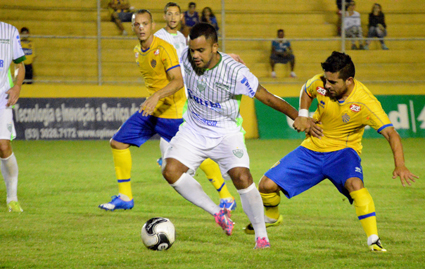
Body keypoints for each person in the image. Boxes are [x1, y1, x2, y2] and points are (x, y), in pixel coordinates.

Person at [244, 51, 418, 252]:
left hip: (343, 153)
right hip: (312, 148)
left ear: (349, 80)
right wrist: (302, 115)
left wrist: (400, 165)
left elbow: (391, 134)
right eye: (326, 80)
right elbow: (307, 90)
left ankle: (373, 239)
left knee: (355, 183)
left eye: (333, 82)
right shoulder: (320, 83)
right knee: (266, 185)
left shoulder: (365, 102)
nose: (327, 86)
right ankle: (273, 216)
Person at [161, 22, 312, 249]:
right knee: (170, 171)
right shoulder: (185, 57)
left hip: (226, 132)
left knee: (242, 177)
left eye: (201, 50)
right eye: (193, 50)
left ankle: (261, 236)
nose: (195, 55)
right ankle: (217, 212)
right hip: (194, 128)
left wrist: (298, 115)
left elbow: (267, 96)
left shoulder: (235, 72)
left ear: (214, 48)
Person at [98, 9, 186, 211]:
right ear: (132, 28)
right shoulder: (137, 50)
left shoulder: (164, 48)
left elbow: (178, 80)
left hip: (171, 112)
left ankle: (225, 195)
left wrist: (156, 96)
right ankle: (125, 197)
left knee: (193, 152)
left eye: (145, 24)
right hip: (151, 111)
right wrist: (152, 99)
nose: (141, 28)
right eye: (137, 24)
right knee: (118, 142)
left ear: (152, 26)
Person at [154, 2, 237, 211]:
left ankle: (225, 196)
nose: (172, 17)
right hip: (169, 99)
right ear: (164, 16)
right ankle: (223, 195)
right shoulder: (161, 38)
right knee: (170, 150)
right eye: (169, 14)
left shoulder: (183, 38)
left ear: (181, 17)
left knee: (185, 149)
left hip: (180, 100)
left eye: (176, 14)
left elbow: (192, 63)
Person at [0, 22, 26, 212]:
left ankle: (12, 198)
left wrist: (17, 85)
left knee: (3, 145)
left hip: (2, 98)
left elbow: (19, 64)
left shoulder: (9, 31)